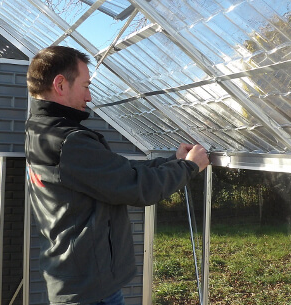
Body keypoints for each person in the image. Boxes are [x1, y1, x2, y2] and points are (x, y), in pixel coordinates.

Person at [25, 45, 210, 305]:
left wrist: (173, 161)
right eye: (86, 86)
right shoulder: (69, 142)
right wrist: (189, 167)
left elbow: (116, 171)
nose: (89, 97)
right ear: (60, 84)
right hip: (90, 290)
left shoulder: (43, 131)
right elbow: (136, 186)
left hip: (79, 279)